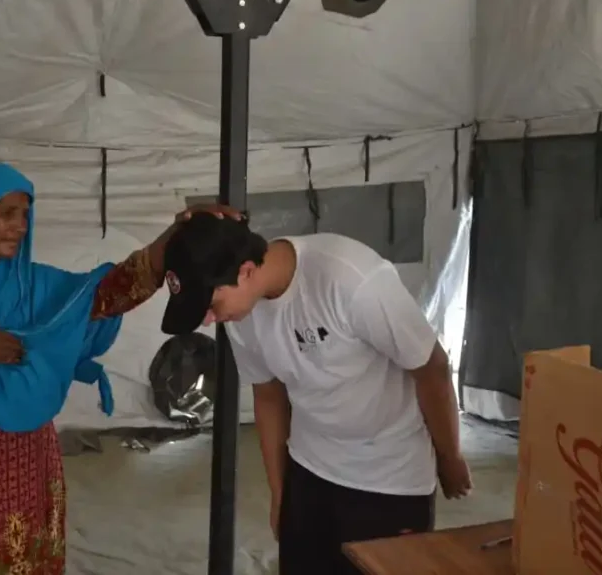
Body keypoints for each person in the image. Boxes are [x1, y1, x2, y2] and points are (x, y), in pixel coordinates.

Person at [0, 162, 239, 575]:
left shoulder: (33, 286)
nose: (20, 225)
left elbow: (105, 295)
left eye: (25, 214)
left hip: (26, 469)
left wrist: (172, 239)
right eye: (8, 213)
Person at [159, 213, 472, 575]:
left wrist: (449, 456)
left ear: (245, 271)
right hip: (310, 472)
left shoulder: (349, 278)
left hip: (389, 478)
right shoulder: (240, 316)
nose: (208, 321)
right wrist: (280, 495)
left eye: (211, 306)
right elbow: (268, 396)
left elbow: (430, 366)